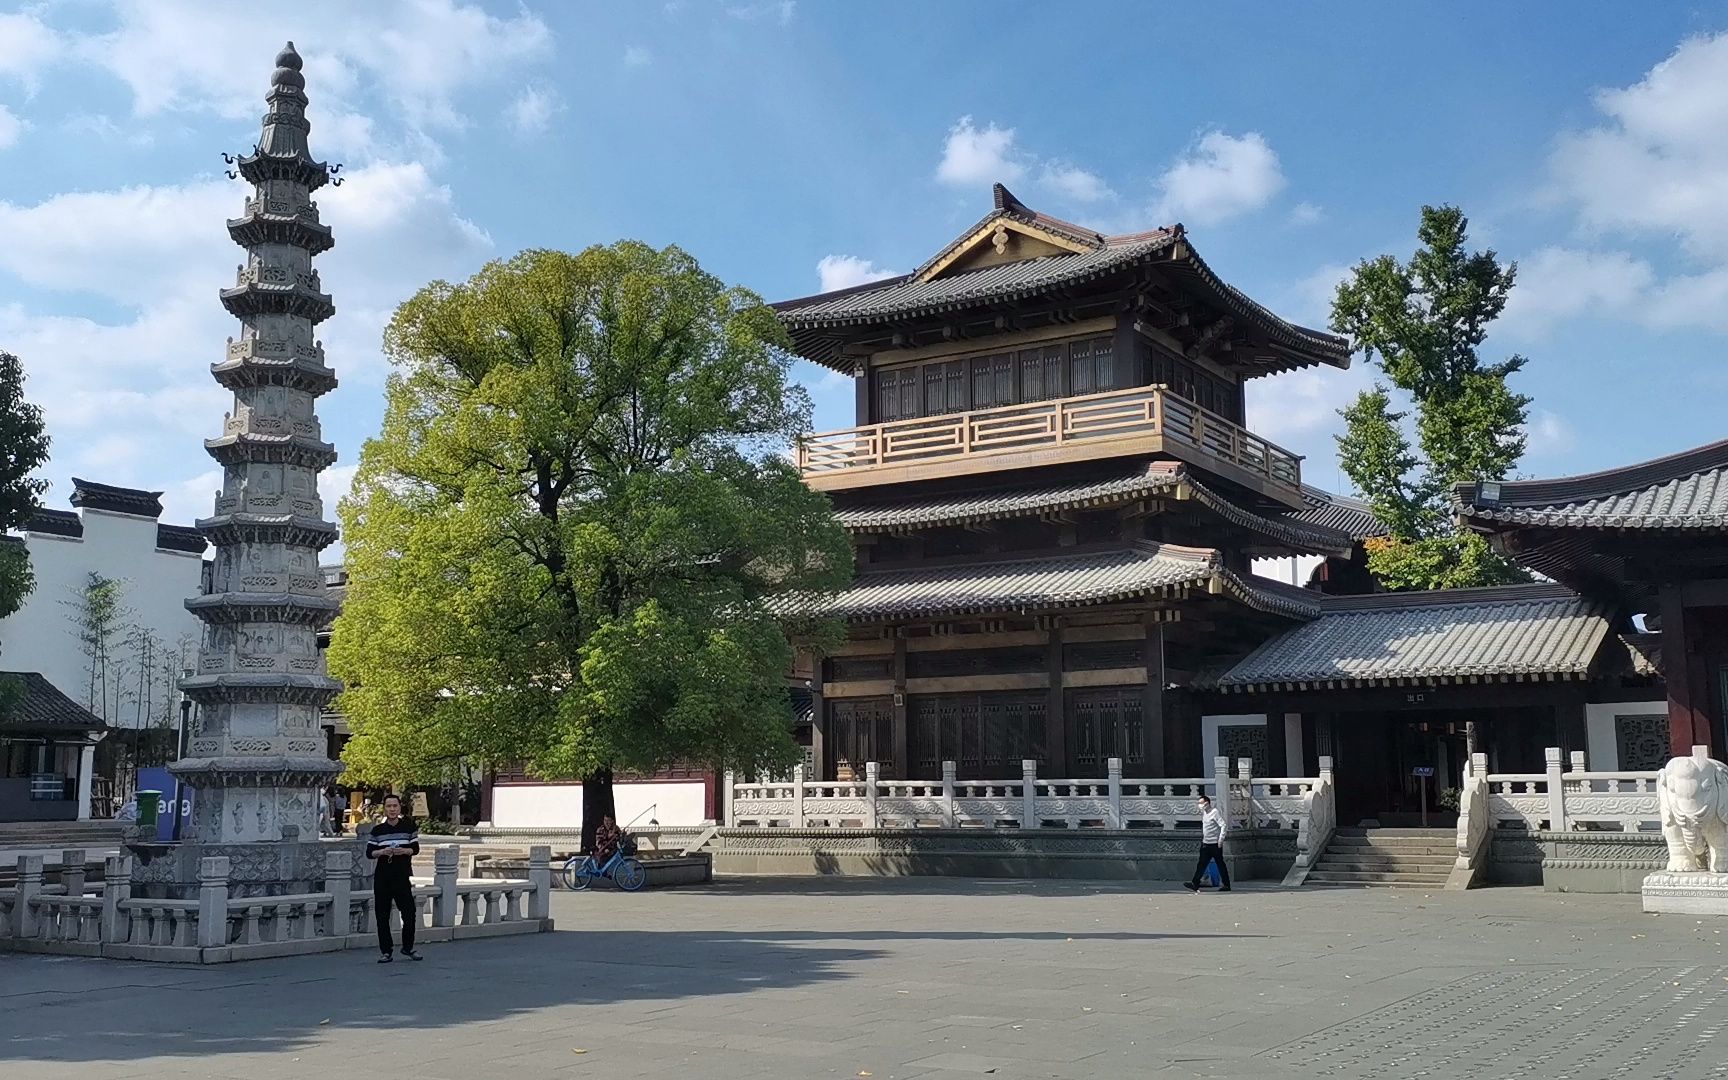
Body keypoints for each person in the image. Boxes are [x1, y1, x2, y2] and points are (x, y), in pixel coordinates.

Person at [366, 793, 422, 963]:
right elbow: (369, 853)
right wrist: (382, 852)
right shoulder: (377, 830)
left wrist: (403, 851)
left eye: (395, 806)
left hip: (402, 876)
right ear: (384, 808)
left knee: (409, 913)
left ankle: (408, 947)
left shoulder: (408, 827)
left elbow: (415, 849)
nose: (392, 809)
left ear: (399, 807)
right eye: (389, 806)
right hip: (383, 877)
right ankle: (386, 951)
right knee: (382, 916)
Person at [1183, 793, 1231, 893]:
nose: (1200, 805)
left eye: (1201, 803)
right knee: (1201, 864)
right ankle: (1195, 883)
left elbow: (1223, 825)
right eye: (1199, 803)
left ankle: (1226, 885)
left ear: (1207, 803)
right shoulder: (1204, 813)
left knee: (1220, 864)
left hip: (1215, 844)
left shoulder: (1214, 812)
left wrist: (1221, 839)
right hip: (1205, 843)